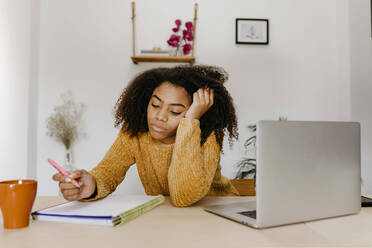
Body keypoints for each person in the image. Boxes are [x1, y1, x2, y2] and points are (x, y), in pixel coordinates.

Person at [52, 65, 239, 207]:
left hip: (219, 211)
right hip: (169, 216)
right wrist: (91, 184)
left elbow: (184, 196)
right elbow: (109, 170)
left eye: (175, 112)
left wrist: (190, 122)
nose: (160, 116)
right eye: (155, 105)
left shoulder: (206, 135)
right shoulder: (135, 133)